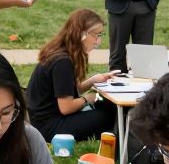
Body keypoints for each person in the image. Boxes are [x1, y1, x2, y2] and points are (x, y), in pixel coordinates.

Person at [25, 9, 117, 142]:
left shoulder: (62, 53)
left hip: (45, 121)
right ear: (82, 34)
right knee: (109, 114)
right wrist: (87, 99)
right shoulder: (62, 61)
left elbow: (68, 91)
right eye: (96, 35)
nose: (98, 40)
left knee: (106, 107)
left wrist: (94, 80)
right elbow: (66, 107)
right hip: (49, 127)